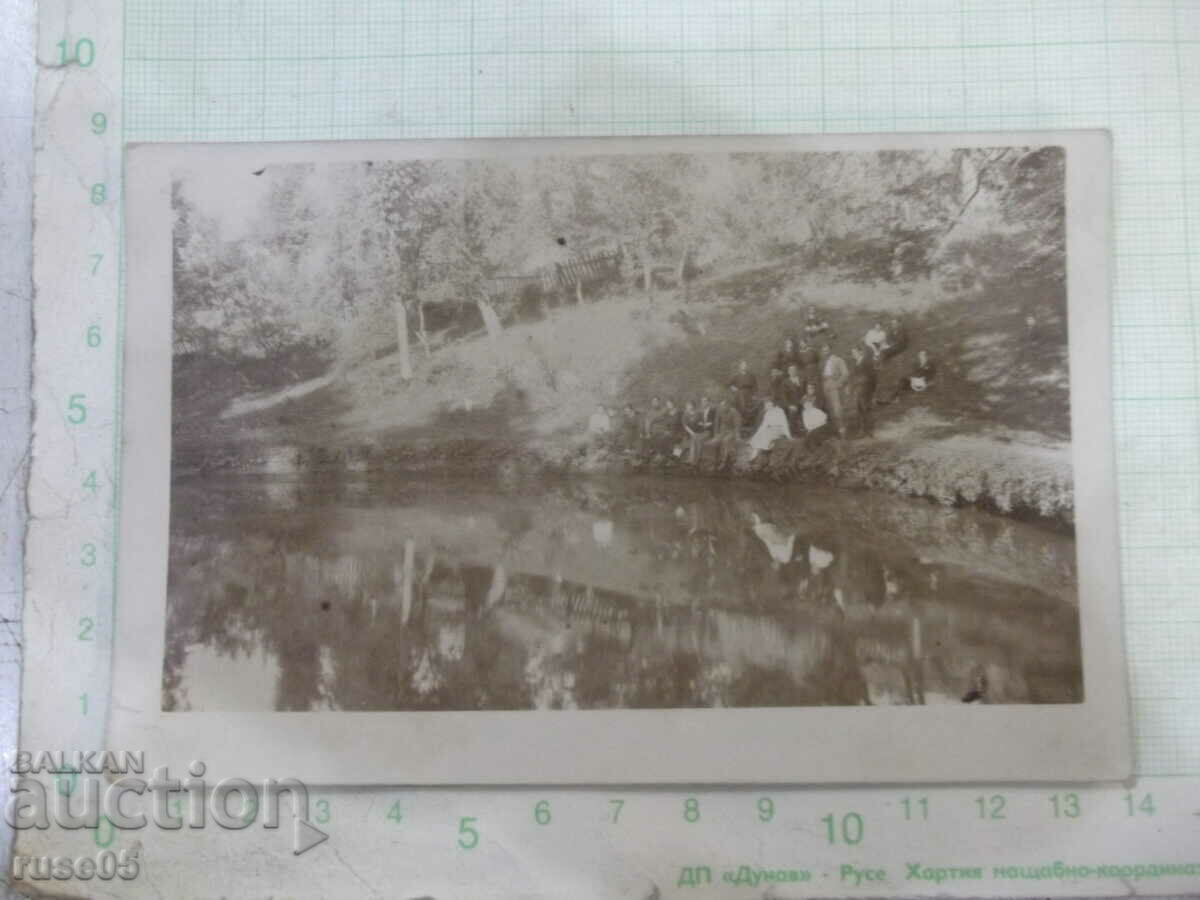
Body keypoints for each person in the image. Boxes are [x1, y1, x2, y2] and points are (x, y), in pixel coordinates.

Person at [820, 343, 850, 437]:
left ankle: (843, 431)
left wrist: (838, 384)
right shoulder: (823, 362)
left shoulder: (838, 360)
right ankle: (835, 431)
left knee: (837, 409)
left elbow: (845, 374)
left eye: (827, 350)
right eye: (824, 351)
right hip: (825, 385)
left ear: (831, 350)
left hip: (834, 385)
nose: (825, 352)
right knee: (830, 409)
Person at [705, 394, 743, 469]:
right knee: (713, 442)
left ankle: (723, 462)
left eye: (724, 405)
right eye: (721, 405)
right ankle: (713, 461)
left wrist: (737, 435)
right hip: (722, 431)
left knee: (726, 441)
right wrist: (716, 434)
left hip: (731, 431)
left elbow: (737, 425)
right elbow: (716, 423)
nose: (722, 407)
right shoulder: (719, 411)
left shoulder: (734, 412)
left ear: (728, 405)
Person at [849, 347, 877, 437]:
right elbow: (854, 377)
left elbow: (873, 376)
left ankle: (870, 430)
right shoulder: (856, 363)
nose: (853, 354)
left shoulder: (866, 362)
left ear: (860, 352)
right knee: (859, 410)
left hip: (866, 389)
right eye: (852, 353)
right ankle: (862, 430)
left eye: (855, 352)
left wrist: (872, 390)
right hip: (858, 390)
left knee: (866, 409)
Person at [685, 395, 715, 463]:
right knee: (694, 438)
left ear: (709, 402)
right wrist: (700, 424)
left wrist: (705, 425)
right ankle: (692, 460)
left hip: (708, 431)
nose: (703, 403)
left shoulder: (713, 411)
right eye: (702, 401)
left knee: (698, 439)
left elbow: (714, 423)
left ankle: (697, 460)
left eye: (705, 401)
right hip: (701, 431)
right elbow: (698, 422)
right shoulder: (699, 411)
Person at [730, 360, 758, 430]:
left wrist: (754, 395)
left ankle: (749, 424)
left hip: (749, 393)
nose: (744, 366)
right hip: (740, 393)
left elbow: (755, 386)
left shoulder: (751, 375)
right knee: (741, 406)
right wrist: (733, 388)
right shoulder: (736, 376)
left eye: (745, 365)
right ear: (740, 367)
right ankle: (742, 423)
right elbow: (729, 384)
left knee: (751, 407)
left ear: (747, 366)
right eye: (742, 365)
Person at [779, 364, 807, 431]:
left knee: (810, 410)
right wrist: (789, 405)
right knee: (792, 412)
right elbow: (784, 396)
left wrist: (806, 396)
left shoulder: (802, 380)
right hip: (792, 403)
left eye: (794, 370)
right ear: (788, 372)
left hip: (803, 401)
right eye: (791, 370)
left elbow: (806, 390)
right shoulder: (785, 382)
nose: (792, 372)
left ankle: (807, 428)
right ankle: (793, 431)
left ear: (797, 371)